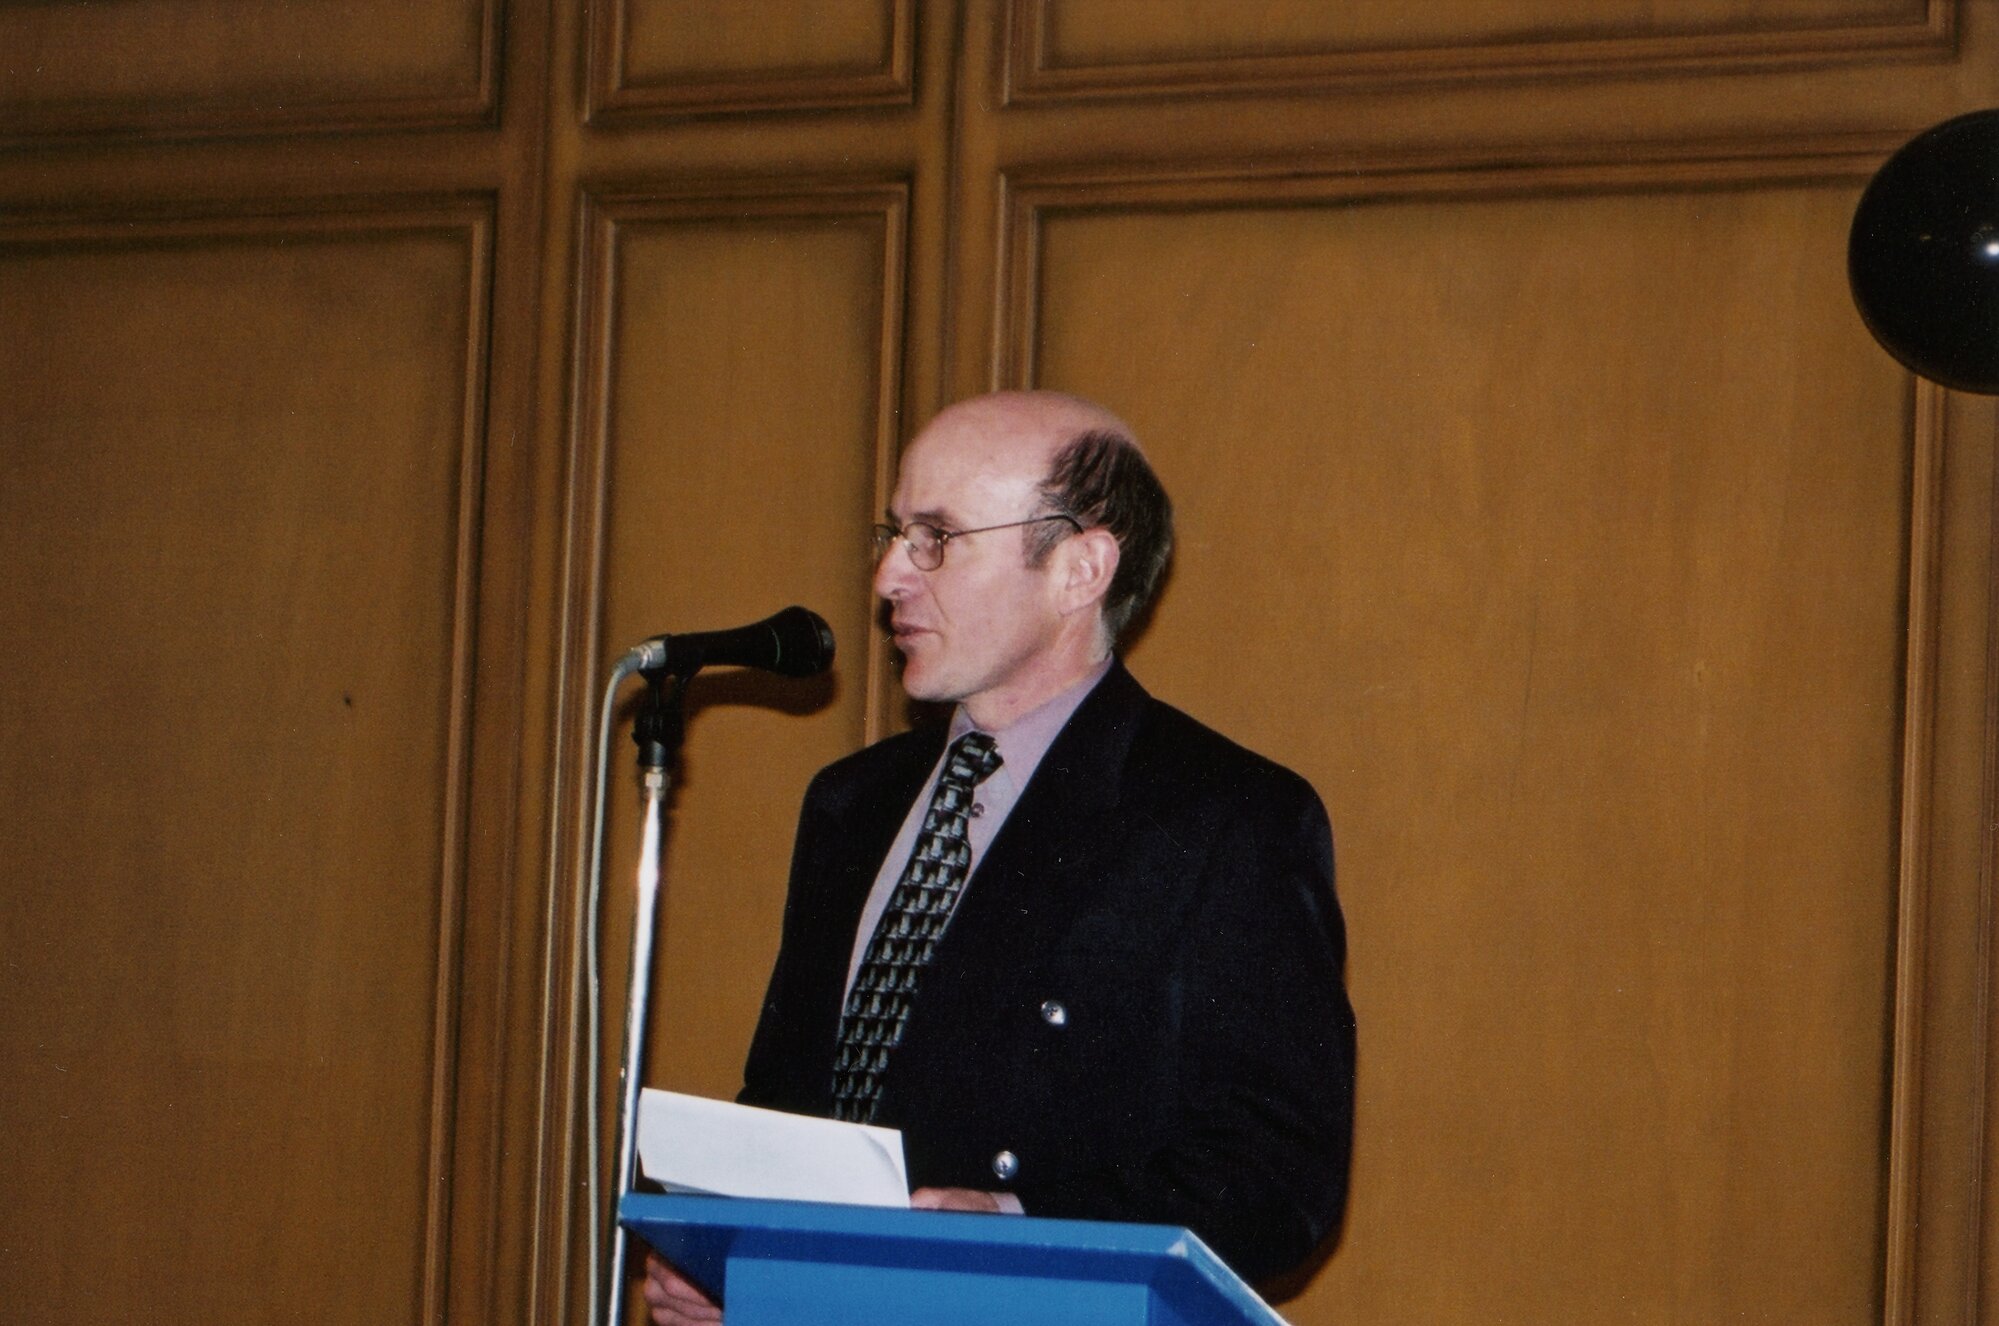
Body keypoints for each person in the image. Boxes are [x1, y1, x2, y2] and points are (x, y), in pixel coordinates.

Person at [642, 391, 1354, 1324]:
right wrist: (729, 1252)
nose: (891, 574)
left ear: (1079, 569)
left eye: (938, 538)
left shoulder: (1221, 818)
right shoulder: (851, 805)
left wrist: (1020, 1220)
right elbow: (791, 1100)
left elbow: (1277, 1174)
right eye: (895, 533)